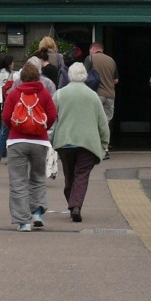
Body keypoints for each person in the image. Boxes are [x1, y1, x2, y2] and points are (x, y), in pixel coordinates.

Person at [1, 61, 57, 231]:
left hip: (17, 142)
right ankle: (37, 213)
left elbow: (5, 116)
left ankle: (23, 222)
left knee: (18, 182)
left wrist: (15, 129)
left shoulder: (14, 93)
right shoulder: (45, 94)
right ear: (38, 77)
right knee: (38, 178)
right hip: (39, 142)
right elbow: (53, 115)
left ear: (22, 78)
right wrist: (42, 130)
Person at [52, 62, 110, 222]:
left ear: (69, 76)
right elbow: (103, 123)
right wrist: (104, 144)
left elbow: (51, 119)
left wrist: (49, 139)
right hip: (87, 144)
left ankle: (73, 203)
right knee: (81, 176)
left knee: (69, 175)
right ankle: (76, 205)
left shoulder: (59, 94)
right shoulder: (93, 96)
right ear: (85, 76)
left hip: (64, 142)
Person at [0, 54, 18, 164]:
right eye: (12, 62)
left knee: (3, 132)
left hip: (5, 106)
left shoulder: (3, 74)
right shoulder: (7, 75)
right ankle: (10, 156)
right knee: (11, 132)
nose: (13, 63)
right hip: (10, 105)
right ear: (9, 64)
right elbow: (9, 90)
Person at [85, 42, 119, 124]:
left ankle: (95, 137)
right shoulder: (111, 60)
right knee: (106, 122)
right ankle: (105, 137)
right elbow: (116, 80)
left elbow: (84, 76)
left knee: (94, 121)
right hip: (110, 95)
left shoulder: (90, 58)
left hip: (96, 95)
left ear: (93, 48)